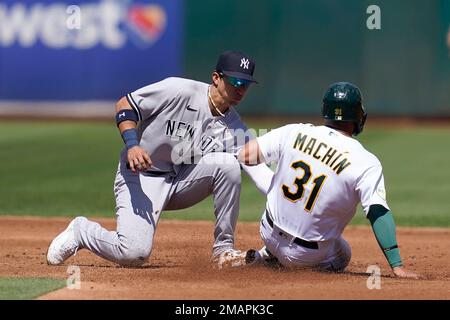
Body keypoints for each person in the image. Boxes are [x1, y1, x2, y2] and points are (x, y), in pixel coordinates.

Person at [46, 50, 274, 269]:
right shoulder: (178, 90)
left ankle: (223, 250)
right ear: (216, 78)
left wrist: (282, 196)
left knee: (229, 167)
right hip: (140, 176)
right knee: (134, 253)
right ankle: (81, 231)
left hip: (180, 181)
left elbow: (257, 167)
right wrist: (133, 144)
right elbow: (125, 104)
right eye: (235, 82)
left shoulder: (234, 125)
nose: (240, 89)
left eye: (245, 85)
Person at [238, 82, 419, 279]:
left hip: (268, 232)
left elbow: (246, 156)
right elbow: (378, 212)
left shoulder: (294, 131)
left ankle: (267, 255)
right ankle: (289, 268)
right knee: (343, 252)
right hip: (305, 255)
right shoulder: (366, 162)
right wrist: (397, 266)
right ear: (359, 116)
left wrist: (278, 183)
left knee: (270, 176)